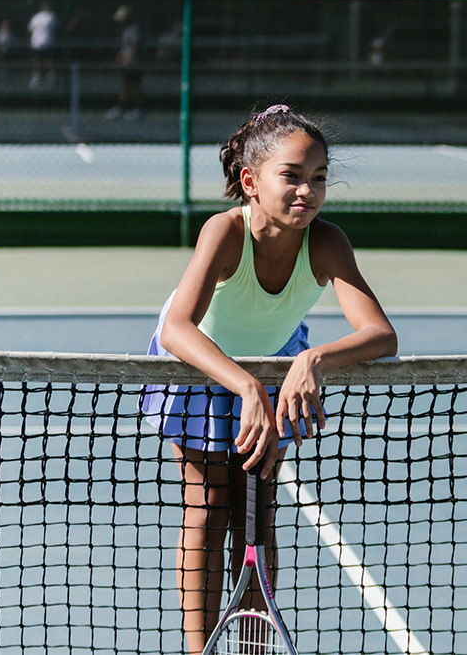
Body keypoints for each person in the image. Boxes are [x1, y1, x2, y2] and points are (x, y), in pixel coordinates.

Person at [140, 104, 396, 655]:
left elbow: (380, 334)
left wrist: (313, 361)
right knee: (208, 507)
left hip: (276, 360)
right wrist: (247, 387)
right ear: (251, 182)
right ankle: (197, 650)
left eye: (319, 178)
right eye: (292, 177)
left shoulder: (327, 242)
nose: (307, 191)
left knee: (256, 511)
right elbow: (177, 328)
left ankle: (254, 649)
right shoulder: (224, 231)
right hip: (201, 364)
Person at [106, 5, 143, 120]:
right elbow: (126, 46)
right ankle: (122, 107)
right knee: (126, 85)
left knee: (134, 86)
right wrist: (121, 56)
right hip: (127, 62)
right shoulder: (126, 29)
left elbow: (134, 45)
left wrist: (129, 59)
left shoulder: (134, 28)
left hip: (133, 63)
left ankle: (137, 109)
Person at [27, 1, 57, 88]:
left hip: (37, 42)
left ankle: (37, 78)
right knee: (47, 59)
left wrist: (32, 39)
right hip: (47, 42)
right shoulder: (52, 16)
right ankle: (49, 77)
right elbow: (56, 29)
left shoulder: (36, 17)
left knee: (38, 59)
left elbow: (29, 30)